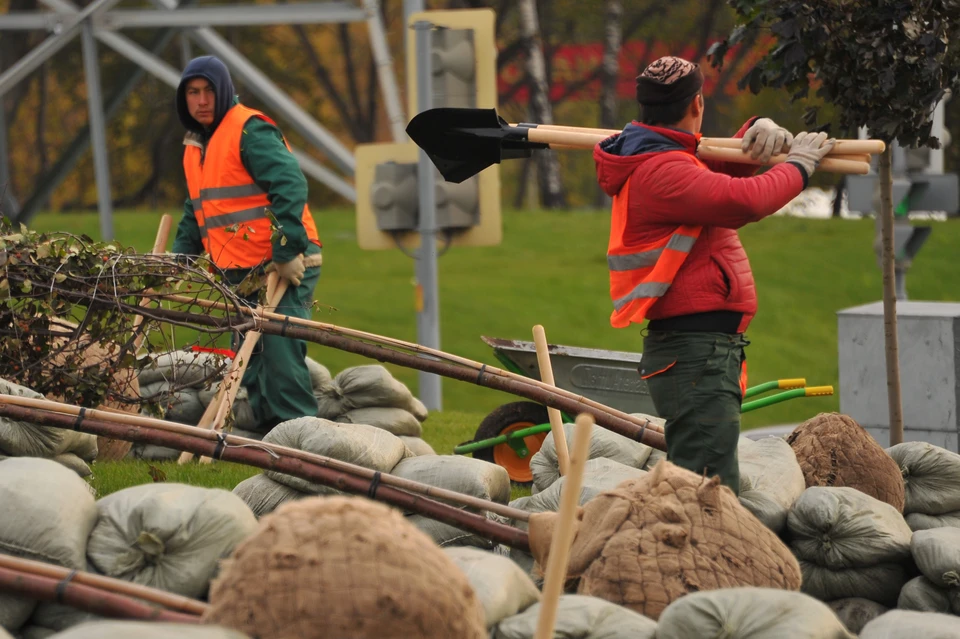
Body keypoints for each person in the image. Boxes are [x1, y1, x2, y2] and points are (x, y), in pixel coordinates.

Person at [593, 56, 835, 495]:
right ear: (698, 105)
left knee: (705, 482)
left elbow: (711, 183)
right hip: (695, 354)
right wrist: (798, 166)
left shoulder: (664, 159)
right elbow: (740, 202)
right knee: (706, 491)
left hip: (700, 351)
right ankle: (692, 562)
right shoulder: (662, 169)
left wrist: (753, 131)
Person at [171, 55, 322, 432]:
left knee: (280, 355)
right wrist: (180, 259)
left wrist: (286, 251)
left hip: (281, 266)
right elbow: (198, 209)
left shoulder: (248, 130)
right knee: (249, 359)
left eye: (208, 91)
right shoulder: (195, 147)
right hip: (237, 271)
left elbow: (290, 186)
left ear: (222, 92)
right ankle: (269, 435)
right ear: (183, 99)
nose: (201, 100)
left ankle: (301, 437)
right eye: (193, 92)